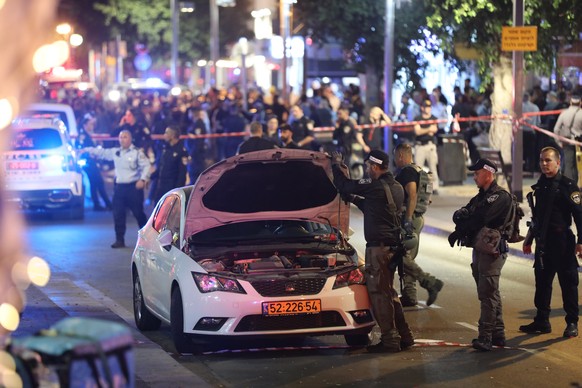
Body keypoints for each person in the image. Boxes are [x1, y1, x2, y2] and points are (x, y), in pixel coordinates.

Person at [332, 150, 414, 353]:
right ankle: (405, 335)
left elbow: (343, 184)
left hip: (378, 249)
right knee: (390, 292)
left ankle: (389, 339)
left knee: (379, 294)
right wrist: (353, 199)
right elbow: (374, 207)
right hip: (392, 248)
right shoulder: (395, 187)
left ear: (375, 167)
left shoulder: (374, 185)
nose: (367, 170)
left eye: (369, 167)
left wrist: (336, 165)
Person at [448, 158, 512, 351]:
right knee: (490, 292)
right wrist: (463, 217)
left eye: (477, 173)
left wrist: (464, 224)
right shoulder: (480, 197)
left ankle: (485, 337)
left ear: (488, 173)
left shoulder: (500, 197)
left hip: (492, 251)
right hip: (481, 249)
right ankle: (498, 334)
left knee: (487, 294)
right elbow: (463, 213)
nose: (474, 176)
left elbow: (480, 218)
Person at [520, 147, 581, 338]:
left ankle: (572, 322)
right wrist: (529, 239)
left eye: (548, 160)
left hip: (563, 242)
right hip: (544, 242)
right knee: (542, 283)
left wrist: (581, 242)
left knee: (568, 283)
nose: (544, 164)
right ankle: (542, 320)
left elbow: (579, 216)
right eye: (541, 161)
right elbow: (538, 216)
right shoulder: (541, 185)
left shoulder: (568, 185)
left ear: (558, 162)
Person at [394, 143, 444, 307]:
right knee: (408, 257)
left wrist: (407, 218)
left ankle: (429, 282)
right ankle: (409, 296)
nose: (395, 160)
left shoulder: (407, 171)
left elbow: (412, 194)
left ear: (401, 155)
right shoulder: (418, 170)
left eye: (396, 157)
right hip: (418, 218)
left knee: (401, 255)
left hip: (411, 219)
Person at [82, 130, 151, 248]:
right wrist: (87, 150)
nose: (122, 139)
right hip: (120, 188)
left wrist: (143, 180)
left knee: (139, 214)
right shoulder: (116, 152)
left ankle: (148, 239)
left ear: (130, 139)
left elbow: (147, 166)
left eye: (125, 137)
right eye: (120, 137)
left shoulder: (137, 153)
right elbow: (102, 152)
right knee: (118, 214)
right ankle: (120, 240)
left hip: (133, 188)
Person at [75, 114, 112, 211]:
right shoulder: (83, 136)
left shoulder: (86, 135)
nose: (92, 126)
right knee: (98, 181)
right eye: (90, 124)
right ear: (85, 125)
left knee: (94, 183)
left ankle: (98, 204)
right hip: (88, 163)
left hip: (90, 162)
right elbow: (80, 149)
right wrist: (89, 154)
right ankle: (106, 204)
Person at [150, 126, 188, 204]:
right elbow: (161, 167)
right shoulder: (165, 148)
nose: (164, 135)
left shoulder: (181, 151)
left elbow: (182, 173)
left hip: (171, 186)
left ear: (173, 135)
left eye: (167, 133)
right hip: (161, 185)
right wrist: (150, 177)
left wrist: (178, 191)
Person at [413, 99, 440, 194]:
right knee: (418, 169)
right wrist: (428, 129)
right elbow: (417, 131)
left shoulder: (434, 118)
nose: (428, 109)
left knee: (432, 168)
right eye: (426, 107)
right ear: (422, 107)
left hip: (430, 145)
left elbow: (434, 131)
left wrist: (423, 129)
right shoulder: (417, 118)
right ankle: (418, 188)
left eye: (429, 107)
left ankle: (434, 188)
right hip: (419, 146)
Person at [554, 95, 582, 181]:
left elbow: (556, 129)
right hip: (579, 143)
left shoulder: (564, 113)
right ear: (580, 103)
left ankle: (570, 187)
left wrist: (558, 142)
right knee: (579, 165)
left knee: (569, 165)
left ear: (570, 102)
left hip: (567, 142)